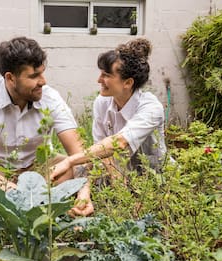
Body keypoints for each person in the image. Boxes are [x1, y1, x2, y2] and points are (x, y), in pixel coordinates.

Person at [0, 36, 93, 216]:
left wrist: (84, 194)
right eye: (34, 76)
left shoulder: (50, 98)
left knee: (74, 170)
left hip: (39, 169)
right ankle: (18, 207)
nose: (43, 81)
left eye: (42, 73)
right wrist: (6, 188)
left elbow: (79, 153)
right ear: (10, 78)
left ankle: (43, 206)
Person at [50, 38, 167, 184]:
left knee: (74, 167)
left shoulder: (150, 108)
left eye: (106, 75)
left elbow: (119, 142)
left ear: (128, 82)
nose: (99, 80)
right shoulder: (102, 102)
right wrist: (121, 191)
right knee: (70, 171)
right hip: (119, 176)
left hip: (154, 182)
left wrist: (70, 161)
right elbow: (103, 152)